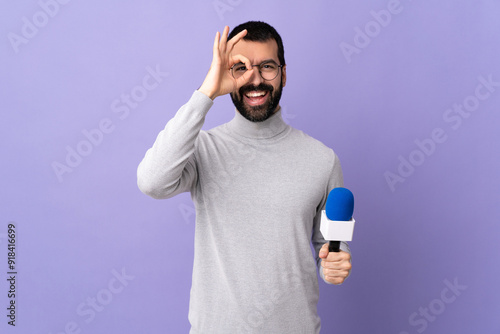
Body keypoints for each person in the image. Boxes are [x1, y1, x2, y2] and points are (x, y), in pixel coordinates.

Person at [137, 21, 352, 333]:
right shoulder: (202, 150)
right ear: (227, 73)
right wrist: (207, 91)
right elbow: (152, 182)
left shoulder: (322, 159)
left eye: (267, 66)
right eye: (240, 68)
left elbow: (331, 245)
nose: (255, 79)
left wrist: (336, 261)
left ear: (284, 74)